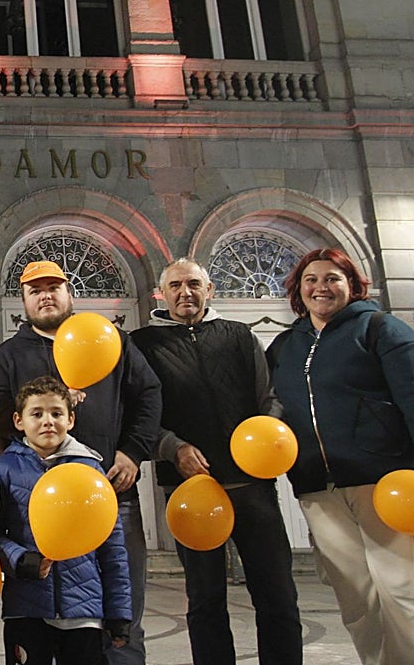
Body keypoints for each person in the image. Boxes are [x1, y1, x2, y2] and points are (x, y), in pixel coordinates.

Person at [0, 260, 161, 665]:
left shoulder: (111, 340)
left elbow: (149, 395)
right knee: (37, 618)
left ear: (69, 293)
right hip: (33, 512)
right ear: (24, 301)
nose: (46, 295)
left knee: (123, 613)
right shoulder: (8, 356)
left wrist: (132, 451)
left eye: (54, 287)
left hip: (112, 495)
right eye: (35, 290)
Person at [131, 258, 301, 665]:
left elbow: (269, 399)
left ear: (209, 290)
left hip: (251, 488)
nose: (184, 293)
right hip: (190, 493)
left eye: (193, 284)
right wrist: (173, 448)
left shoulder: (239, 336)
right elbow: (138, 414)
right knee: (205, 601)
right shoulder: (141, 344)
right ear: (161, 294)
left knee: (277, 596)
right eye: (175, 286)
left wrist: (263, 441)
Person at [267, 247, 414, 665]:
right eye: (311, 280)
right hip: (318, 489)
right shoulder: (284, 345)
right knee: (357, 601)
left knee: (402, 591)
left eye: (332, 278)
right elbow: (274, 408)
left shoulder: (380, 329)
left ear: (351, 284)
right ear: (299, 290)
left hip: (382, 482)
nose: (321, 287)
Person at [0, 376, 132, 665]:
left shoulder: (91, 470)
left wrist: (119, 612)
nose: (47, 421)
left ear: (71, 419)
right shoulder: (3, 469)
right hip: (27, 609)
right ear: (19, 421)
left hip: (84, 612)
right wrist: (21, 560)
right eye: (37, 414)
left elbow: (112, 545)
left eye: (56, 413)